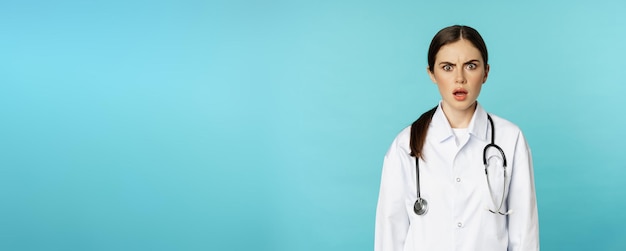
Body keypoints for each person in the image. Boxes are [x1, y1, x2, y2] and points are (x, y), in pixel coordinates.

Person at [374, 25, 539, 251]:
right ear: (432, 73)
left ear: (486, 72)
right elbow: (389, 236)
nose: (459, 78)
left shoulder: (510, 139)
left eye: (471, 66)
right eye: (447, 67)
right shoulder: (405, 145)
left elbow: (524, 234)